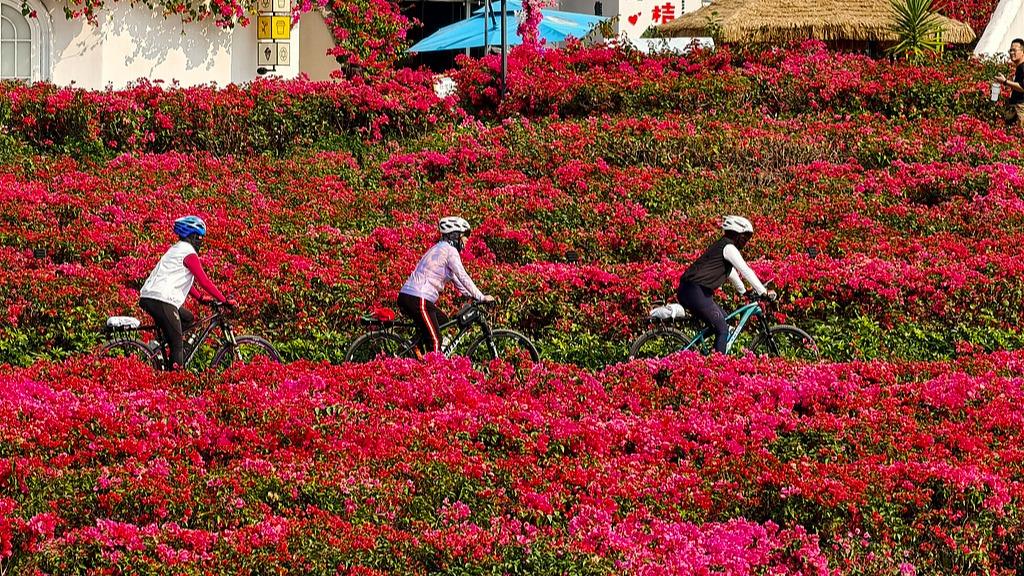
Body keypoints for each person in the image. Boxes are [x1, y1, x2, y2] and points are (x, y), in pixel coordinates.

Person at [138, 216, 235, 370]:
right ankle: (175, 378)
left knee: (188, 318)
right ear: (192, 237)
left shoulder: (176, 249)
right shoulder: (188, 253)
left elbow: (181, 280)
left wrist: (200, 297)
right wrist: (223, 300)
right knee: (177, 343)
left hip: (151, 297)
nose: (201, 242)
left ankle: (159, 346)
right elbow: (204, 281)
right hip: (162, 299)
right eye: (199, 238)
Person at [676, 215, 776, 355]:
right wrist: (763, 291)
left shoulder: (722, 246)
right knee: (722, 328)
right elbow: (745, 270)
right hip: (695, 291)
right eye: (745, 237)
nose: (746, 242)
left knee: (724, 320)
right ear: (737, 234)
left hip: (692, 290)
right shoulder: (729, 247)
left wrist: (743, 292)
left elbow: (730, 272)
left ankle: (696, 352)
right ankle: (718, 366)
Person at [397, 217, 494, 357]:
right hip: (418, 298)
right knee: (435, 340)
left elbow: (458, 282)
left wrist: (472, 295)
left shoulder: (439, 248)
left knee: (443, 322)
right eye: (464, 237)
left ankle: (412, 347)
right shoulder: (450, 251)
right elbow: (463, 275)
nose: (466, 241)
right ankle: (434, 373)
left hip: (410, 297)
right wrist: (482, 297)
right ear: (455, 235)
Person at [996, 38, 1024, 127]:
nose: (1012, 53)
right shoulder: (1019, 67)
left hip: (1021, 108)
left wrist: (1005, 81)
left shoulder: (1023, 67)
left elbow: (1022, 87)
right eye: (1010, 50)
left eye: (1014, 50)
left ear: (1023, 52)